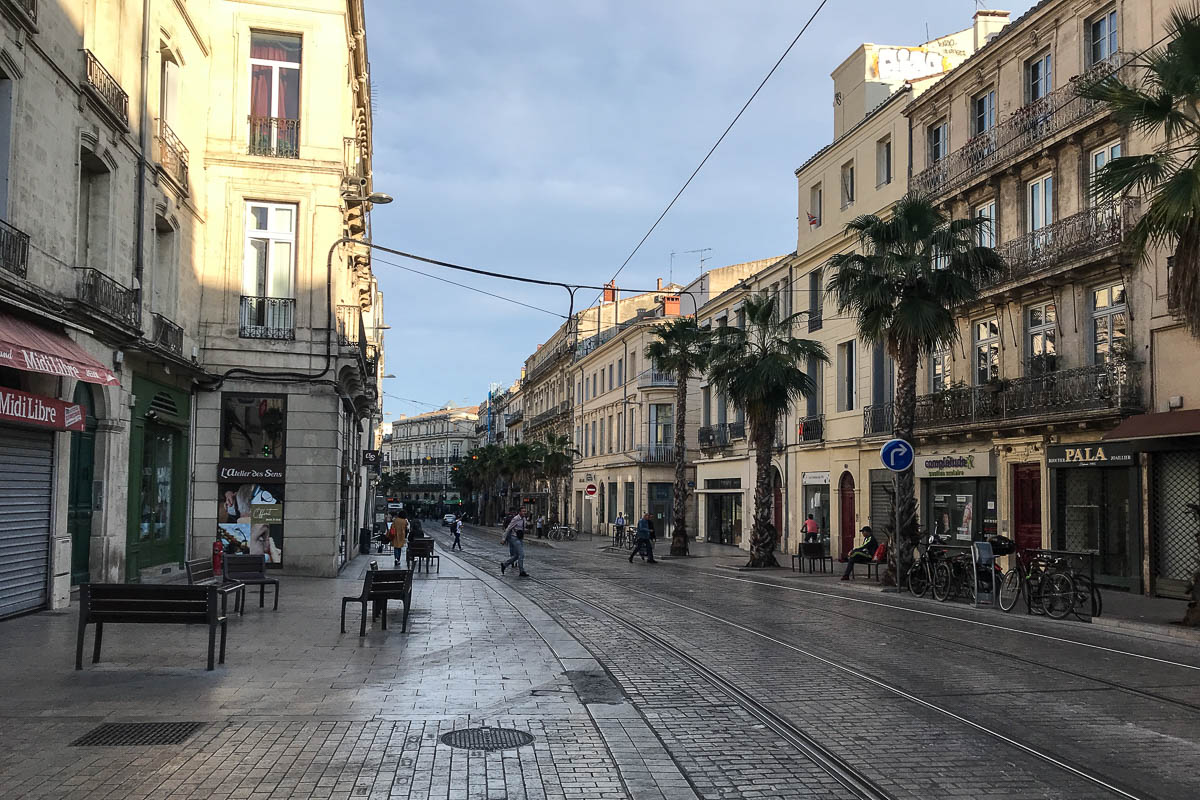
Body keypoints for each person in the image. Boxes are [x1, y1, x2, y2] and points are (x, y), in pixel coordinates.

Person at [500, 507, 529, 577]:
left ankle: (504, 565)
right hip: (514, 538)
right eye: (523, 511)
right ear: (519, 512)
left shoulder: (524, 519)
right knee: (521, 554)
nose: (524, 513)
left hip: (520, 538)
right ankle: (522, 571)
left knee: (516, 556)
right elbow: (508, 528)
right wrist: (503, 538)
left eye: (525, 511)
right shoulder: (515, 519)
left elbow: (523, 528)